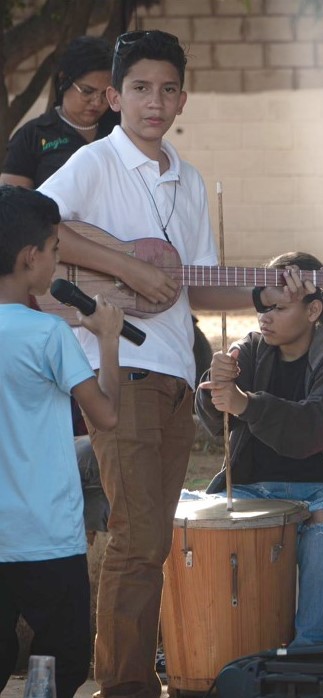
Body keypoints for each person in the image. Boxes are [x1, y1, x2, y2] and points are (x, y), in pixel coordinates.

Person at [37, 31, 280, 698]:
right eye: (140, 88)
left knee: (150, 541)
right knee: (137, 539)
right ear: (114, 96)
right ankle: (124, 687)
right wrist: (123, 267)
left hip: (177, 375)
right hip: (118, 368)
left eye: (168, 88)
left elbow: (195, 284)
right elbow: (26, 225)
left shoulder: (189, 178)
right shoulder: (94, 164)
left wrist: (268, 290)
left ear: (182, 96)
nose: (155, 101)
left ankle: (132, 679)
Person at [196, 252, 323, 645]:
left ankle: (312, 655)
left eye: (279, 307)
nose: (265, 318)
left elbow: (312, 429)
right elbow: (216, 425)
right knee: (215, 532)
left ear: (313, 309)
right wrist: (214, 386)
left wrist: (247, 403)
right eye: (263, 308)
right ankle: (234, 650)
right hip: (256, 486)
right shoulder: (251, 349)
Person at [0, 186, 123, 698]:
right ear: (31, 259)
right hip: (45, 533)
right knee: (61, 663)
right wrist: (108, 340)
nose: (56, 260)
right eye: (54, 249)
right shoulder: (46, 335)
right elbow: (107, 415)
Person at [1, 36, 119, 189]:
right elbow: (13, 204)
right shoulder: (32, 136)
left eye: (105, 94)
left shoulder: (120, 128)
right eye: (87, 91)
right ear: (64, 80)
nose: (97, 102)